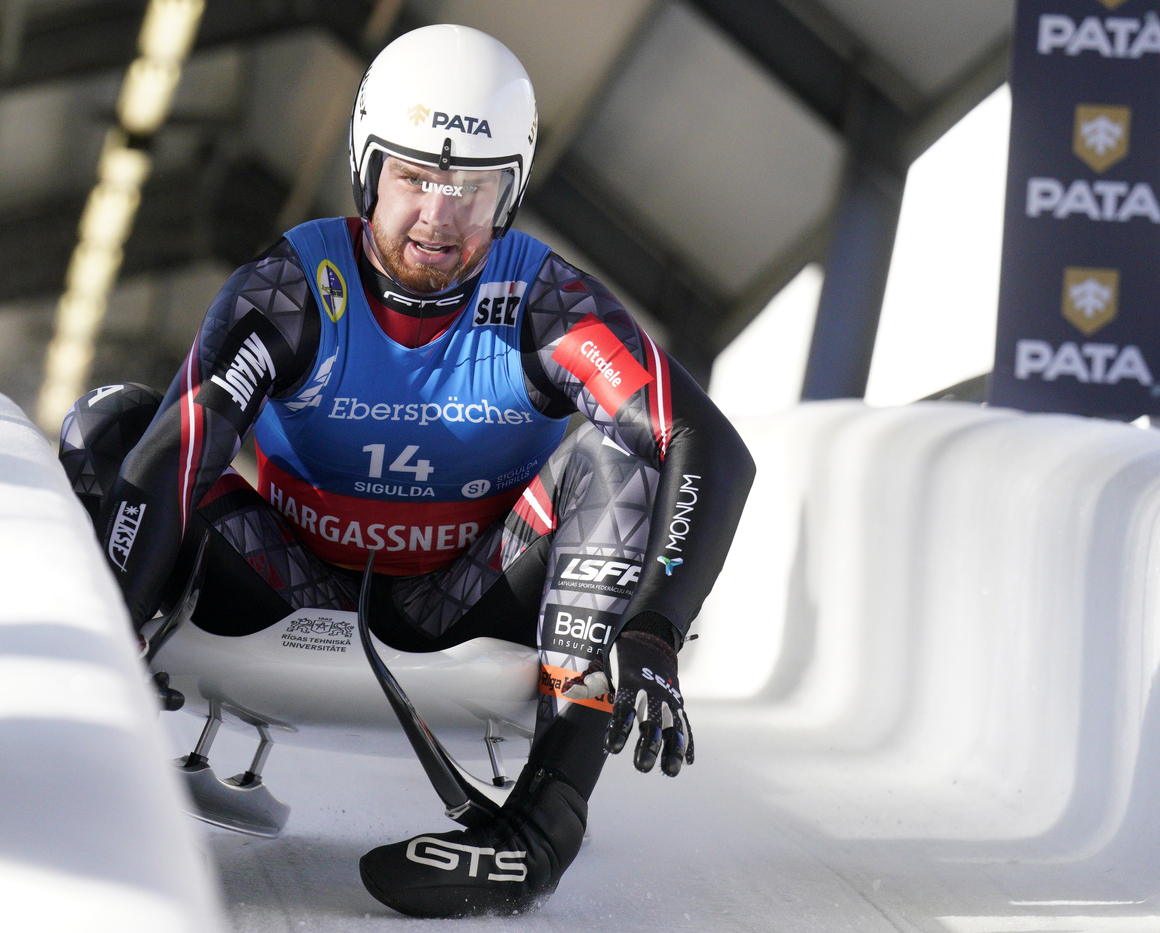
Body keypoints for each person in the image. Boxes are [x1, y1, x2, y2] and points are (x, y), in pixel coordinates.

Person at [58, 23, 754, 919]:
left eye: (473, 187)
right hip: (289, 581)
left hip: (466, 598)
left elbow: (706, 444)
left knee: (619, 453)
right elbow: (179, 441)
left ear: (511, 192)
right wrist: (108, 627)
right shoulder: (294, 286)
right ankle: (93, 721)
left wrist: (658, 626)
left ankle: (542, 830)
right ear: (366, 167)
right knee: (114, 421)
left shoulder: (541, 299)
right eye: (416, 177)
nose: (439, 217)